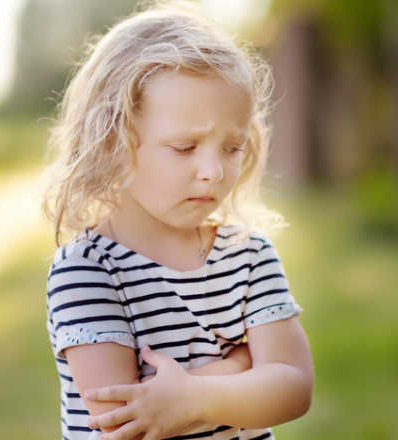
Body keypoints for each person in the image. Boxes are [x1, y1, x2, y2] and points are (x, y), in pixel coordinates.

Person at [41, 2, 313, 439]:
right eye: (185, 147)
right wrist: (241, 367)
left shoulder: (249, 255)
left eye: (232, 146)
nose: (214, 171)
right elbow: (125, 423)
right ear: (115, 141)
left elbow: (293, 388)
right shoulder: (87, 271)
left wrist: (187, 397)